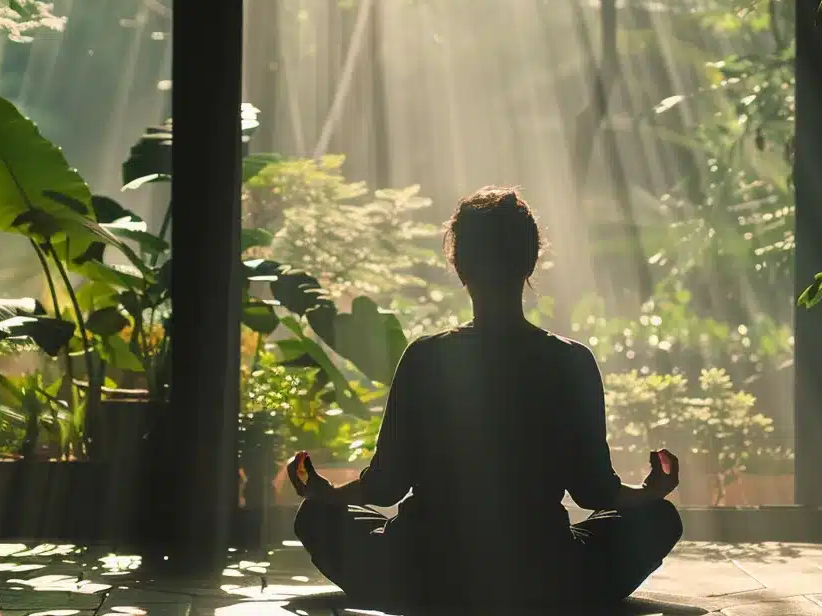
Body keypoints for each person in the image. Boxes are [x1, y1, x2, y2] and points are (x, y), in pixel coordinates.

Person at [286, 186, 684, 613]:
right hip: (544, 575)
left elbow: (386, 485)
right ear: (530, 261)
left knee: (317, 517)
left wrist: (326, 494)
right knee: (660, 519)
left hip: (420, 573)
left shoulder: (426, 356)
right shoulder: (570, 360)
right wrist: (650, 491)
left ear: (460, 265)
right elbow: (594, 492)